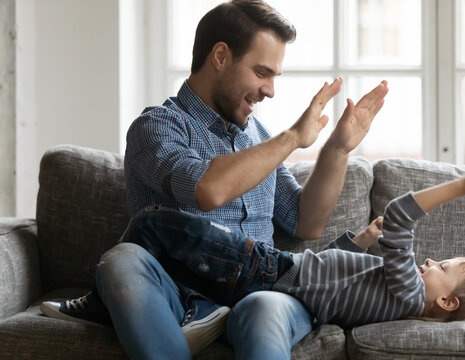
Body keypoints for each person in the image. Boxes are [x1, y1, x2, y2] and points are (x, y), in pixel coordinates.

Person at [40, 0, 390, 359]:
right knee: (121, 259)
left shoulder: (257, 136)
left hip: (259, 295)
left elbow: (306, 222)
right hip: (175, 296)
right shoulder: (158, 127)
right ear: (220, 56)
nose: (270, 90)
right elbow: (209, 189)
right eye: (261, 72)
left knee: (263, 308)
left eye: (273, 77)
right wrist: (291, 138)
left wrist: (337, 149)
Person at [105, 174, 465, 329]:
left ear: (447, 302)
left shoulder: (410, 291)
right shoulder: (399, 298)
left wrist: (461, 186)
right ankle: (196, 302)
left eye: (443, 266)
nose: (430, 261)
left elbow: (399, 217)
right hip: (283, 279)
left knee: (153, 220)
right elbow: (330, 275)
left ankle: (99, 301)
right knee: (172, 260)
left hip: (269, 269)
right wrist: (362, 241)